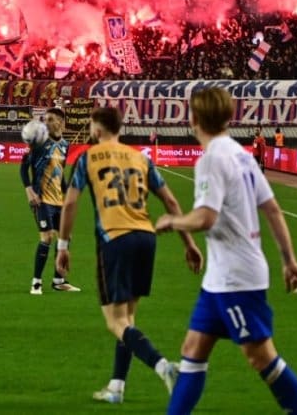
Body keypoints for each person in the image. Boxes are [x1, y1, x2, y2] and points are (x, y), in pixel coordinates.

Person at [155, 87, 297, 415]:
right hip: (219, 278)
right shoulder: (241, 154)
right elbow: (273, 210)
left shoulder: (212, 159)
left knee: (261, 357)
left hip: (236, 278)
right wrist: (288, 259)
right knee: (192, 350)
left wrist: (173, 221)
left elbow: (206, 217)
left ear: (194, 118)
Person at [56, 106, 203, 404]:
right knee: (129, 320)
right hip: (146, 237)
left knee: (115, 322)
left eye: (89, 126)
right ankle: (116, 387)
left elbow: (70, 204)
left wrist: (63, 246)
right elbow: (171, 201)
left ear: (97, 130)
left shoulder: (87, 157)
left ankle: (163, 366)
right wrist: (189, 243)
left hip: (115, 238)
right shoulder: (141, 158)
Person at [20, 108, 80, 295]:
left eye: (51, 119)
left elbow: (59, 173)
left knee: (66, 237)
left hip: (58, 201)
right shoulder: (39, 143)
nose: (46, 122)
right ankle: (36, 282)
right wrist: (29, 191)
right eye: (44, 119)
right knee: (46, 238)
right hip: (41, 199)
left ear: (61, 122)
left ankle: (58, 280)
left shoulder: (64, 145)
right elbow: (24, 168)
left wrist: (67, 193)